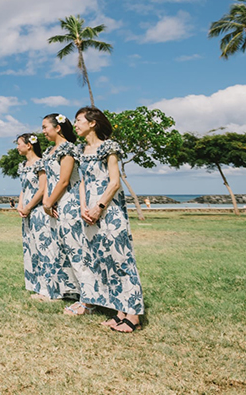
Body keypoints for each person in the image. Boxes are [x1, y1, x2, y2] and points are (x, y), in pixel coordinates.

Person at [73, 106, 145, 332]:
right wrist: (84, 207)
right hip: (89, 211)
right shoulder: (81, 150)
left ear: (92, 123)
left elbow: (114, 182)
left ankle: (133, 315)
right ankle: (119, 312)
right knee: (104, 260)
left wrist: (99, 207)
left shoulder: (109, 147)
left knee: (121, 258)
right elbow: (82, 182)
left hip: (110, 209)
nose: (76, 125)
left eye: (78, 120)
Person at [41, 113, 88, 310]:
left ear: (57, 128)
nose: (43, 131)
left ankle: (87, 299)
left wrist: (49, 202)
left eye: (45, 127)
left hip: (69, 203)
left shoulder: (68, 148)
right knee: (58, 250)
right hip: (53, 205)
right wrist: (47, 202)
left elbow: (64, 180)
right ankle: (65, 290)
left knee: (76, 248)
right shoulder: (48, 151)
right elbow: (48, 181)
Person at [15, 133, 52, 301]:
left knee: (43, 248)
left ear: (28, 145)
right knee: (31, 248)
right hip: (27, 212)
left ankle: (47, 288)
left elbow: (42, 188)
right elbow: (24, 187)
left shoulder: (41, 163)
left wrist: (29, 207)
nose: (17, 147)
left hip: (38, 211)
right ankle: (36, 285)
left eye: (19, 144)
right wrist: (20, 205)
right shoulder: (23, 165)